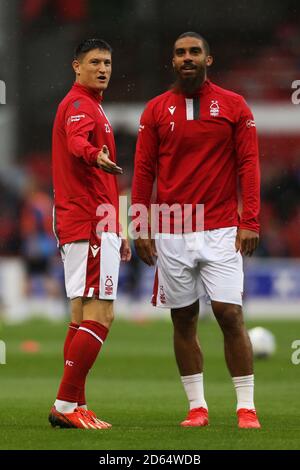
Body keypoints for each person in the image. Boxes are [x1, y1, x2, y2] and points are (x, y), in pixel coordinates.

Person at [132, 32, 261, 429]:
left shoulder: (235, 106)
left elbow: (249, 165)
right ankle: (197, 407)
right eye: (180, 53)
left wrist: (249, 220)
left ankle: (246, 407)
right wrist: (140, 226)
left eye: (194, 52)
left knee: (229, 314)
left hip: (221, 227)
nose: (187, 58)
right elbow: (143, 172)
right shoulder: (155, 111)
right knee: (183, 318)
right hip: (172, 230)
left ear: (209, 59)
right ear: (172, 61)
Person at [50, 38, 131, 429]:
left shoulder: (87, 105)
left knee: (82, 313)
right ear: (76, 66)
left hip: (89, 220)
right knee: (102, 314)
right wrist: (92, 153)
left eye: (108, 63)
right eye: (95, 62)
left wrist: (120, 225)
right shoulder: (82, 106)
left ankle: (76, 404)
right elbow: (77, 141)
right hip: (90, 221)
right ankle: (65, 406)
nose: (103, 68)